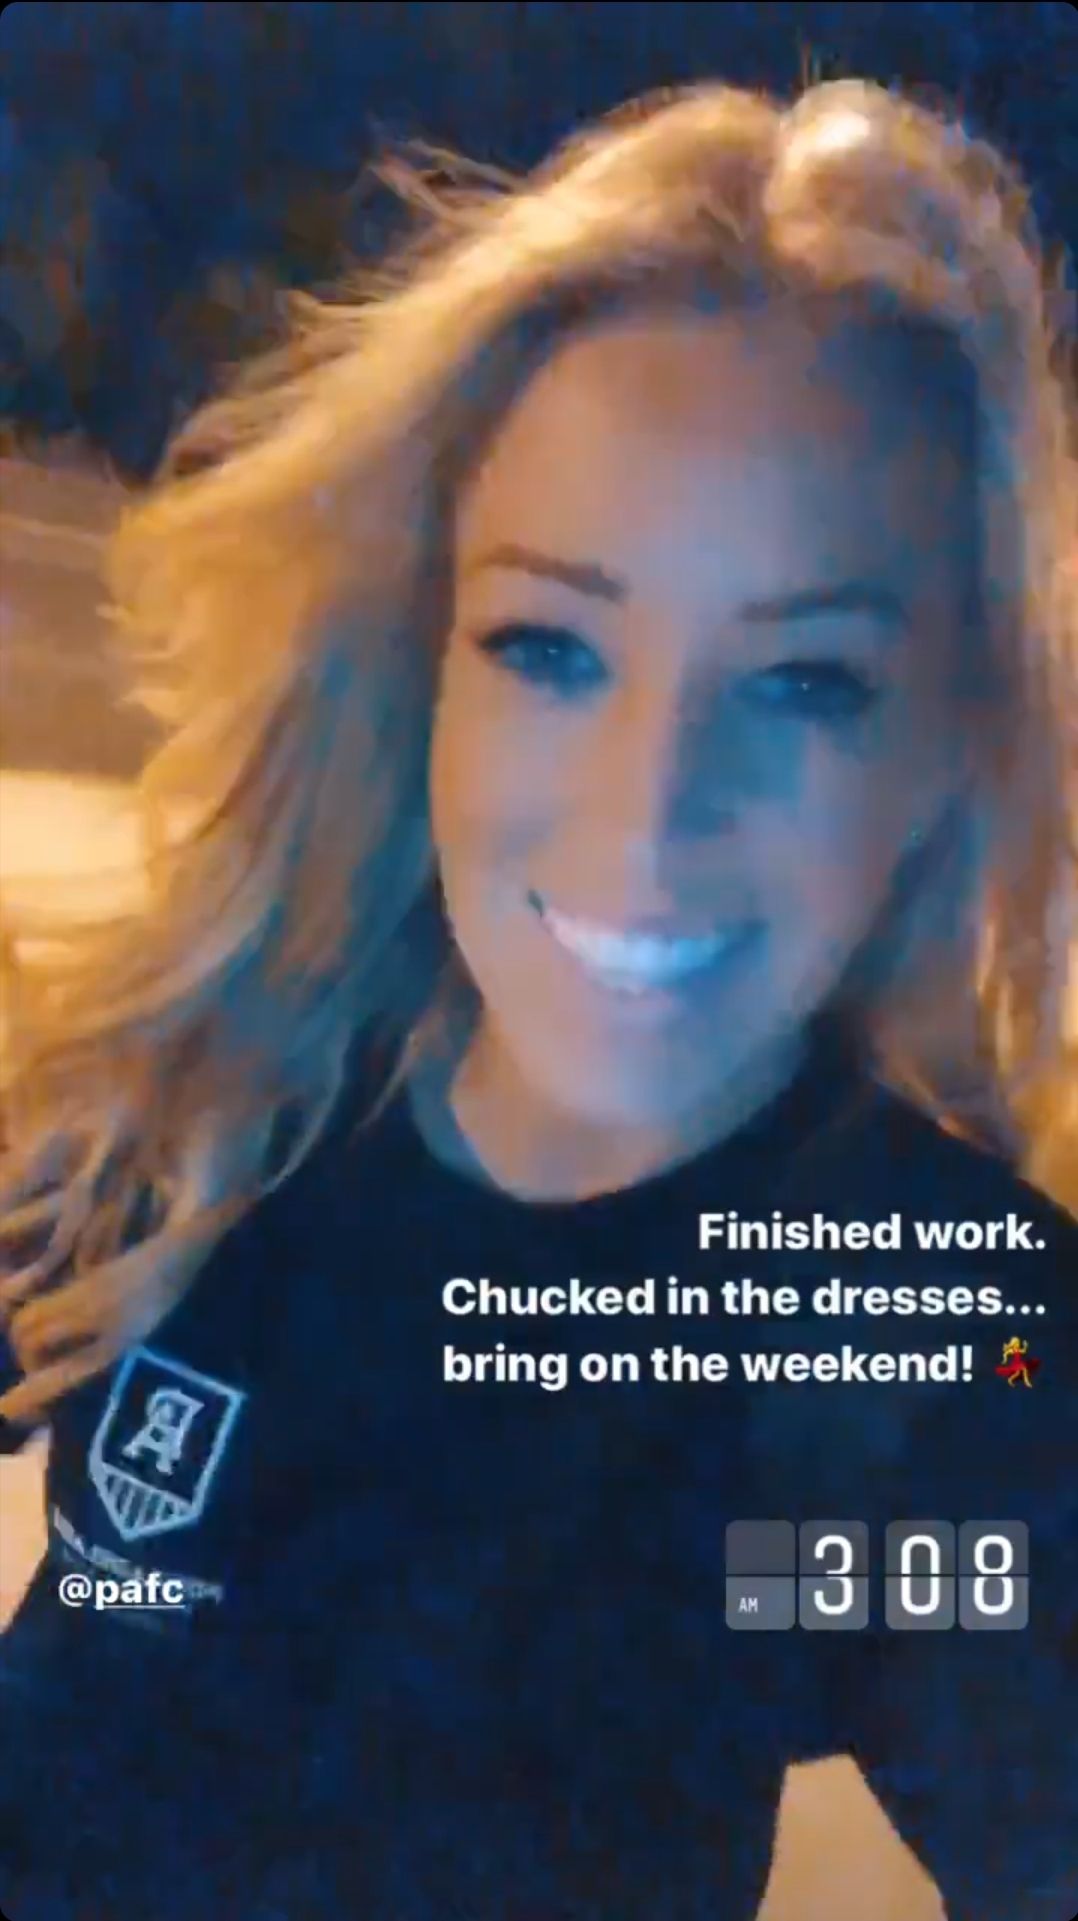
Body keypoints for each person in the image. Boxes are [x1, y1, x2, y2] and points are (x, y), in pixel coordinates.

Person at [1, 74, 1076, 1921]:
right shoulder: (206, 1105)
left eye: (804, 680)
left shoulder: (920, 1338)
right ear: (424, 660)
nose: (644, 815)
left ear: (940, 754)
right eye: (550, 646)